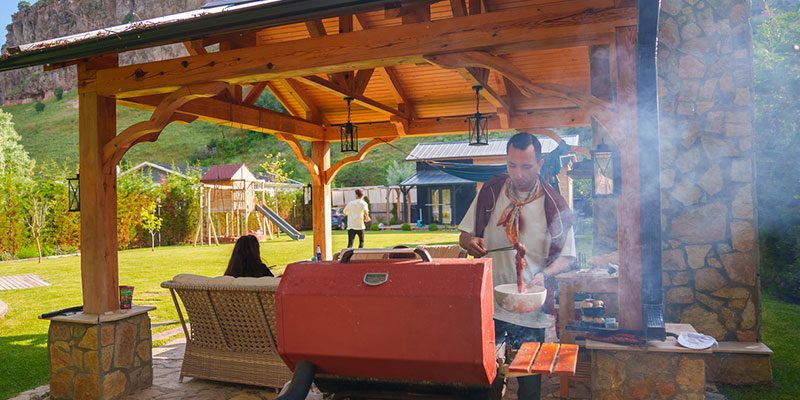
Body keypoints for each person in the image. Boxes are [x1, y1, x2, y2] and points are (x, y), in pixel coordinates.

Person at [458, 132, 576, 400]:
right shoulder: (491, 191)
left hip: (529, 308)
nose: (518, 174)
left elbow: (567, 257)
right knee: (483, 383)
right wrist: (470, 242)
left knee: (529, 385)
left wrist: (544, 275)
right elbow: (464, 236)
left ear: (541, 164)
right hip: (487, 306)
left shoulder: (553, 203)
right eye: (512, 165)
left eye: (526, 166)